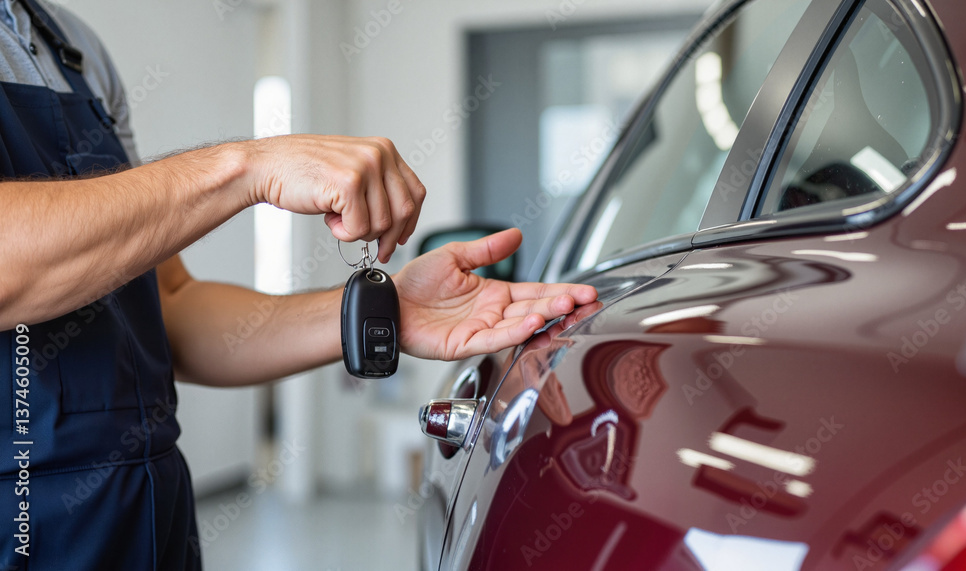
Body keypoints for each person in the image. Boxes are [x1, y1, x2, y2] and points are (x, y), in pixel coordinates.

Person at [0, 0, 597, 568]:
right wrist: (248, 167)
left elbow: (170, 308)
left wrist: (386, 311)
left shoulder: (76, 47)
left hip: (144, 513)